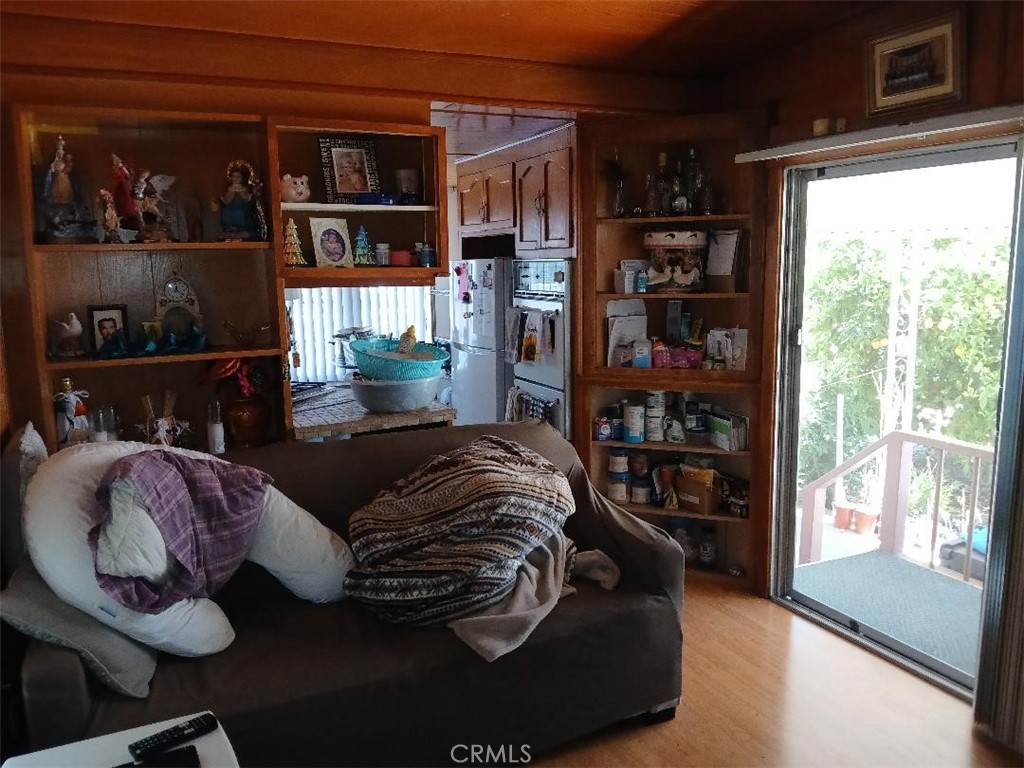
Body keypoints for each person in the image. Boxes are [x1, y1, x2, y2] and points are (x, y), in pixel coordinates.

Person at [217, 166, 257, 237]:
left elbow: (247, 200)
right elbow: (227, 201)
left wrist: (241, 191)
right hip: (230, 213)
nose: (236, 179)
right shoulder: (228, 189)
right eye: (234, 176)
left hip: (242, 212)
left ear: (242, 178)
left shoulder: (245, 189)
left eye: (238, 177)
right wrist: (232, 191)